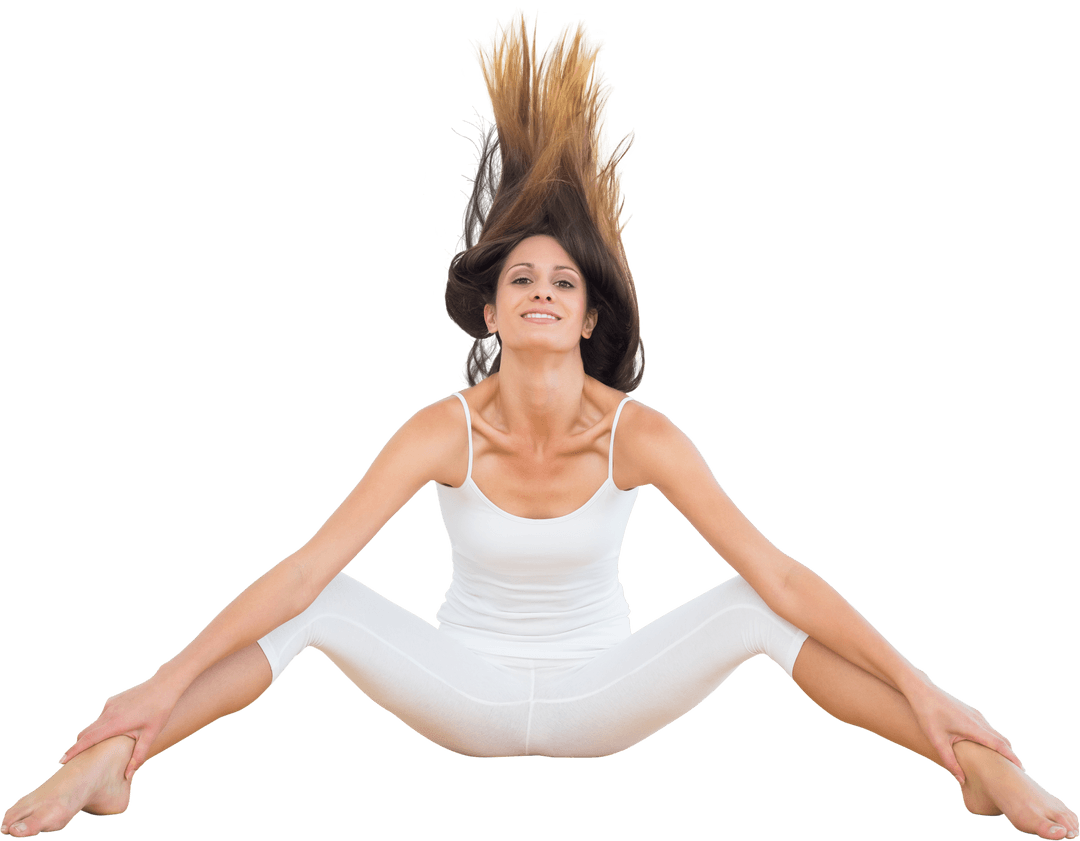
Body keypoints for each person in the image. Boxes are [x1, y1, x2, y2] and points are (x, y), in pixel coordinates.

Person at [2, 9, 1076, 840]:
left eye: (564, 280)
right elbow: (301, 569)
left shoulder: (642, 436)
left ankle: (970, 763)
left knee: (755, 609)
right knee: (318, 604)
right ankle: (117, 762)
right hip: (460, 687)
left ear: (591, 311)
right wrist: (155, 681)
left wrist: (931, 689)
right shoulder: (439, 428)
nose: (544, 292)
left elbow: (785, 577)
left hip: (604, 692)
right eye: (522, 278)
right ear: (491, 309)